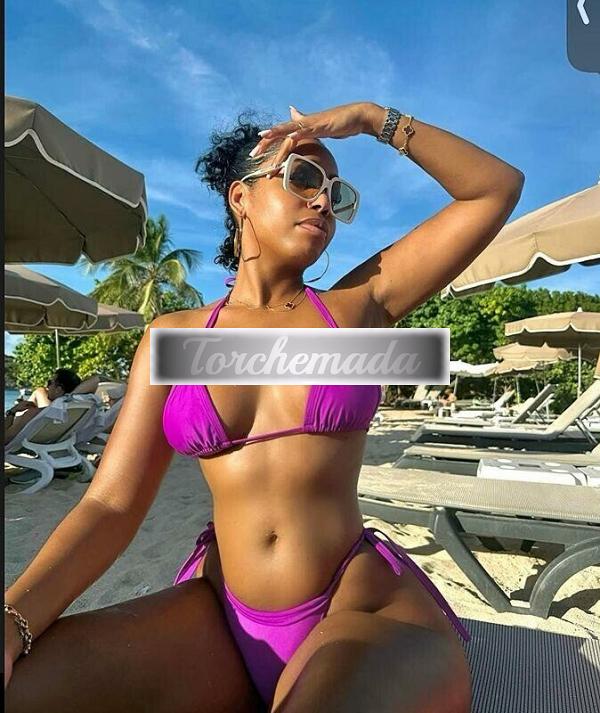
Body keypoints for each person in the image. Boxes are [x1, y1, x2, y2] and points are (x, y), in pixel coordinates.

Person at [5, 102, 524, 712]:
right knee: (27, 690)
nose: (323, 200)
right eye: (303, 177)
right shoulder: (177, 340)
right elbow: (111, 504)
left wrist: (371, 120)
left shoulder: (357, 309)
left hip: (357, 606)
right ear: (241, 198)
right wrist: (14, 618)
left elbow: (493, 189)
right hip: (224, 618)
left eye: (337, 194)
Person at [4, 368, 84, 444]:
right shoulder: (73, 412)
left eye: (50, 383)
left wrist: (12, 411)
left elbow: (5, 439)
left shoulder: (34, 413)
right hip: (51, 444)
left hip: (22, 446)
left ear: (58, 389)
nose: (47, 387)